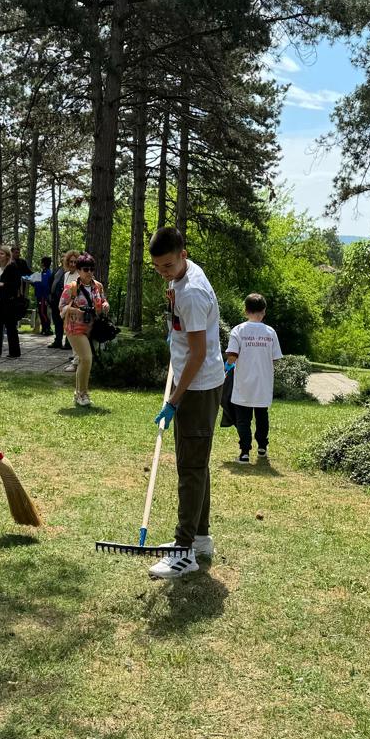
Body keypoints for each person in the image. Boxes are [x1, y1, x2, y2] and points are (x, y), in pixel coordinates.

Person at [145, 227, 227, 580]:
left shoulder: (191, 292)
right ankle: (200, 537)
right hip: (197, 383)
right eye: (157, 267)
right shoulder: (184, 276)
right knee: (197, 464)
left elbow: (198, 354)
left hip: (196, 387)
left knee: (190, 469)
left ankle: (183, 551)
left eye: (168, 265)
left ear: (184, 254)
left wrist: (175, 400)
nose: (163, 272)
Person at [225, 293, 283, 464]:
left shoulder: (238, 330)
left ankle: (244, 452)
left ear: (245, 310)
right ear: (264, 311)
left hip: (243, 383)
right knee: (262, 416)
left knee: (243, 419)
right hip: (263, 383)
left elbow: (232, 356)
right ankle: (262, 447)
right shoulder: (270, 332)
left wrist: (227, 367)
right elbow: (275, 358)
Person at [60, 254, 109, 407]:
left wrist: (105, 305)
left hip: (92, 327)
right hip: (74, 328)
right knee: (87, 359)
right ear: (79, 270)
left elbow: (103, 300)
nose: (89, 272)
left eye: (92, 269)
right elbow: (61, 307)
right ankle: (83, 393)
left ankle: (78, 394)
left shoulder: (98, 286)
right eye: (86, 269)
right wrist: (75, 310)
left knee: (83, 361)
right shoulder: (71, 287)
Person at [0, 245, 24, 358]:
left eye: (2, 253)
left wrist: (3, 284)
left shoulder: (12, 267)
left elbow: (16, 284)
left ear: (7, 256)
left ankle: (14, 352)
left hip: (9, 302)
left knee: (11, 327)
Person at [49, 251, 78, 350]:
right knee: (61, 323)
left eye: (75, 262)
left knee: (72, 325)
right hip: (61, 302)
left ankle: (70, 344)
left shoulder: (80, 275)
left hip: (75, 304)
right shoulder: (65, 273)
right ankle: (60, 341)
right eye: (71, 262)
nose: (73, 264)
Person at [35, 256, 55, 337]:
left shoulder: (48, 273)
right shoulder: (43, 272)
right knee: (41, 312)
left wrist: (46, 297)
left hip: (43, 296)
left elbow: (45, 285)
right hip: (39, 295)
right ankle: (44, 328)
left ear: (43, 263)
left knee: (43, 312)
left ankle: (47, 328)